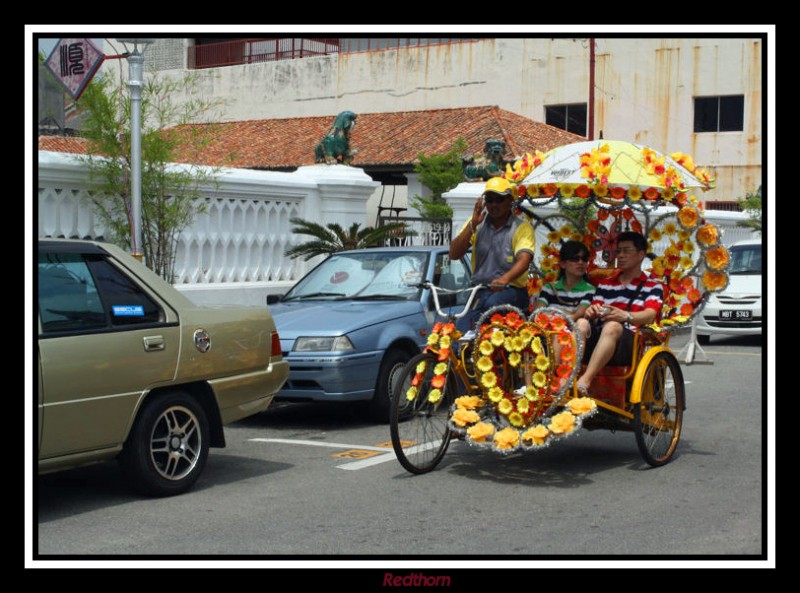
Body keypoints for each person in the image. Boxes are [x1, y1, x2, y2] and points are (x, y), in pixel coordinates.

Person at [576, 231, 663, 395]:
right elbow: (594, 308)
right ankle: (569, 376)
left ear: (640, 255)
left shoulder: (652, 286)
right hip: (599, 338)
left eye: (627, 251)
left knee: (613, 326)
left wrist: (626, 316)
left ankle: (584, 381)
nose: (621, 256)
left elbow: (650, 314)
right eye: (618, 251)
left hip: (629, 342)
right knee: (581, 323)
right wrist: (591, 311)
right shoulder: (606, 284)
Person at [449, 176, 535, 335]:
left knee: (490, 308)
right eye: (490, 200)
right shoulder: (476, 223)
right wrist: (472, 225)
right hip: (480, 291)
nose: (494, 204)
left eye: (499, 199)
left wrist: (505, 279)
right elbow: (454, 254)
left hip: (511, 290)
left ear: (510, 200)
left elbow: (524, 260)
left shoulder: (521, 228)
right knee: (460, 330)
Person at [532, 240, 594, 345]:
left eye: (584, 259)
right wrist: (567, 315)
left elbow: (578, 315)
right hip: (547, 335)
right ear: (563, 264)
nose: (581, 262)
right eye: (575, 259)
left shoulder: (590, 290)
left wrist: (554, 318)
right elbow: (537, 313)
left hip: (571, 336)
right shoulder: (549, 288)